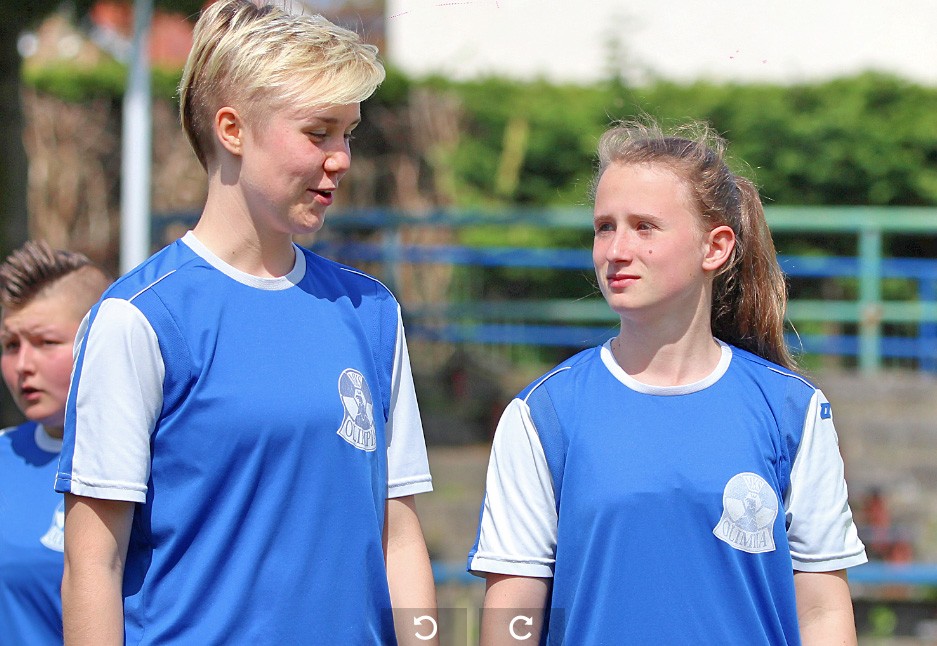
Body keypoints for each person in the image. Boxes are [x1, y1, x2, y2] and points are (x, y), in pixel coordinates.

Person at [55, 1, 436, 644]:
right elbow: (93, 564)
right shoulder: (140, 319)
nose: (342, 158)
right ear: (232, 130)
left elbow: (398, 537)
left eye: (348, 133)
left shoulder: (370, 311)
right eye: (318, 132)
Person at [468, 120, 867, 645]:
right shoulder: (544, 415)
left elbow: (821, 610)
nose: (616, 249)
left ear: (715, 248)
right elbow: (513, 614)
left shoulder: (792, 410)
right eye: (604, 227)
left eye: (645, 227)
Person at [0, 241, 111, 645]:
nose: (23, 365)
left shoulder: (159, 462)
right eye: (11, 345)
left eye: (46, 342)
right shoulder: (4, 456)